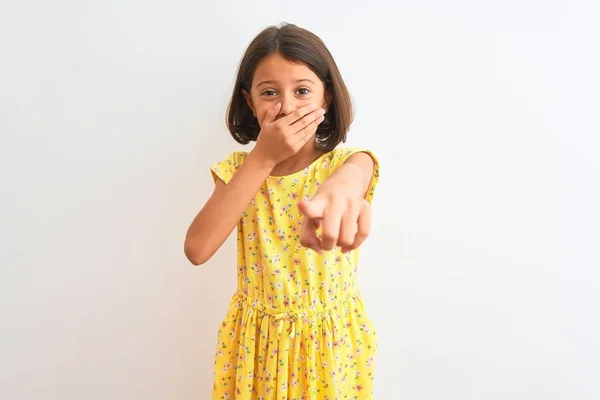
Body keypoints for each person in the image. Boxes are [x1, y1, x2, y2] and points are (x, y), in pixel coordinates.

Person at [184, 22, 380, 399]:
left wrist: (338, 191)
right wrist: (264, 156)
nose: (286, 106)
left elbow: (352, 180)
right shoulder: (237, 172)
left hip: (328, 347)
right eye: (269, 92)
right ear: (249, 102)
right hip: (255, 346)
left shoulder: (348, 163)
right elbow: (197, 248)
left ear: (327, 99)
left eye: (302, 90)